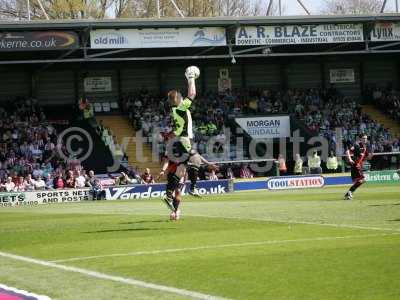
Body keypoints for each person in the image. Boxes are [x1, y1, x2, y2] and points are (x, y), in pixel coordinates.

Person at [344, 134, 373, 200]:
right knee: (362, 180)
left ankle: (348, 193)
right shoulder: (357, 145)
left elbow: (366, 156)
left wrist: (369, 156)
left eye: (366, 138)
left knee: (361, 180)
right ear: (360, 139)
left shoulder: (366, 146)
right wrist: (350, 159)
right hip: (355, 165)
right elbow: (347, 151)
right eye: (363, 138)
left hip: (358, 165)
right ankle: (349, 192)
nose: (365, 139)